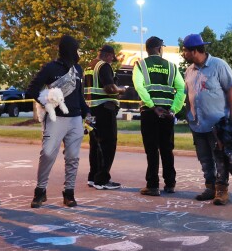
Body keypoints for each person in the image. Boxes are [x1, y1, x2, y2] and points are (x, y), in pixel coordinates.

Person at [26, 35, 89, 208]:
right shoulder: (50, 68)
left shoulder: (78, 69)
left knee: (73, 157)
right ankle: (40, 191)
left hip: (75, 118)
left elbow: (79, 96)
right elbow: (31, 90)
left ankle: (69, 193)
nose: (76, 51)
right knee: (47, 154)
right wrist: (46, 102)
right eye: (74, 48)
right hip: (56, 119)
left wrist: (87, 113)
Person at [181, 33, 232, 206]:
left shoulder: (218, 65)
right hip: (197, 123)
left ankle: (222, 190)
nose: (183, 53)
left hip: (217, 123)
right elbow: (188, 94)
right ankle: (210, 187)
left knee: (220, 157)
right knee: (204, 158)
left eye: (185, 50)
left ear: (194, 51)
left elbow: (231, 91)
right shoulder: (189, 71)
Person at [133, 36, 186, 196]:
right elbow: (182, 89)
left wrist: (151, 105)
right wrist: (173, 109)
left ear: (148, 49)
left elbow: (139, 87)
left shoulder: (140, 65)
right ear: (159, 48)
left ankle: (153, 185)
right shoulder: (172, 67)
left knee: (151, 149)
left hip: (150, 113)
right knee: (166, 148)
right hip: (167, 114)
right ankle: (170, 184)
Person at [84, 44, 124, 191]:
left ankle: (93, 177)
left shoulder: (89, 66)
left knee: (95, 144)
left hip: (91, 110)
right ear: (109, 55)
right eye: (112, 58)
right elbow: (110, 88)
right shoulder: (103, 66)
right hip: (104, 109)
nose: (112, 60)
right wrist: (121, 90)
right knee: (108, 144)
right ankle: (102, 180)